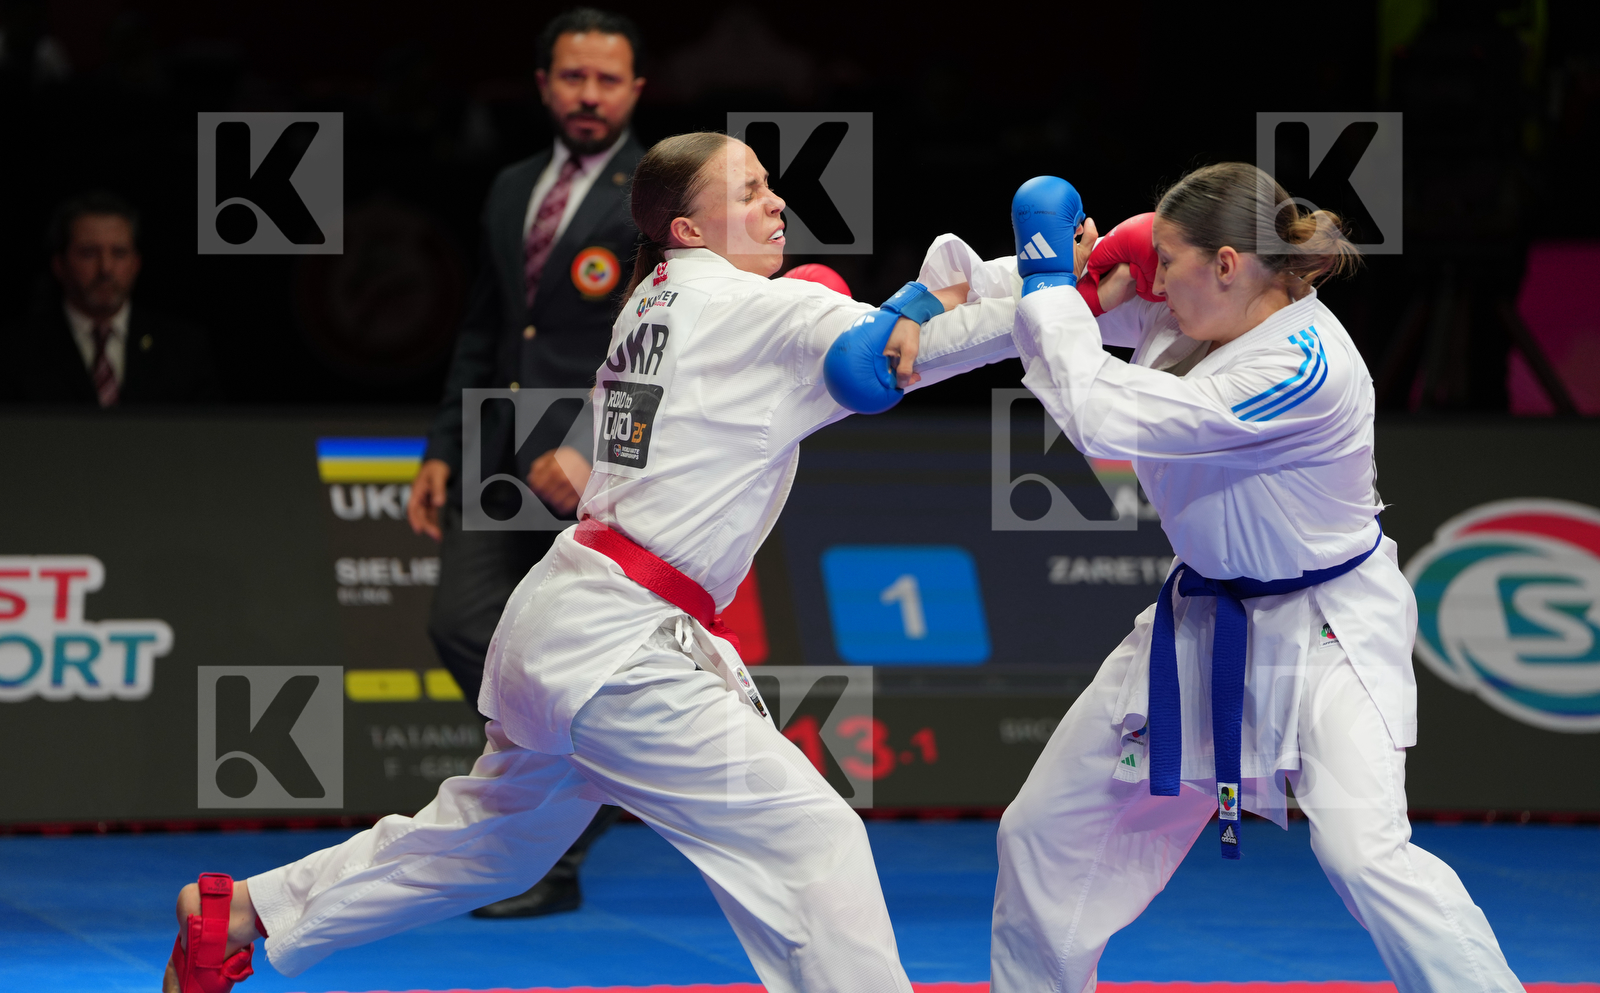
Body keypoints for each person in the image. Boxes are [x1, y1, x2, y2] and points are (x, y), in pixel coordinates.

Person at [160, 131, 1022, 993]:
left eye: (772, 187)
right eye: (751, 189)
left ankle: (240, 911)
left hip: (569, 620)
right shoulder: (747, 307)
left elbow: (893, 330)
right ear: (687, 230)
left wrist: (1040, 279)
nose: (777, 204)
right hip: (622, 649)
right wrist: (1061, 296)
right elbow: (908, 352)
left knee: (491, 845)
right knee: (809, 837)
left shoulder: (653, 299)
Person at [986, 164, 1524, 992]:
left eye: (1170, 261)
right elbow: (1043, 335)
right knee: (1043, 832)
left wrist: (1056, 279)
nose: (1156, 281)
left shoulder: (1304, 367)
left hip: (1324, 629)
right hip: (1197, 622)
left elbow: (1098, 415)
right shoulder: (1191, 308)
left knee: (1362, 852)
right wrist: (1031, 288)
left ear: (1229, 264)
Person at [404, 6, 648, 919]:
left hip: (598, 462)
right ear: (544, 84)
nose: (589, 95)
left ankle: (557, 846)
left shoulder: (659, 189)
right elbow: (484, 329)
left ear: (636, 91)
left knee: (569, 645)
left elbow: (658, 337)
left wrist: (588, 446)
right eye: (573, 77)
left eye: (608, 79)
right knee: (462, 624)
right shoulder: (511, 185)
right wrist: (441, 451)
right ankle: (592, 774)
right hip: (497, 450)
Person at [0, 191, 217, 405]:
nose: (106, 268)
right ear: (59, 265)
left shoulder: (183, 349)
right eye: (89, 253)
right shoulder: (15, 352)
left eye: (119, 253)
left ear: (136, 264)